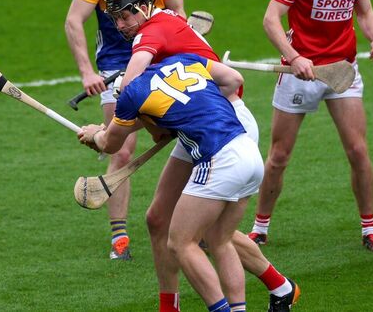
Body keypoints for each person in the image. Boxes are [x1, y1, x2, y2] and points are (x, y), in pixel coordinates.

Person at [104, 0, 299, 311]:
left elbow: (132, 84)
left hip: (222, 121)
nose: (120, 26)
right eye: (115, 20)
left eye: (124, 17)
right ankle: (274, 289)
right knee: (159, 219)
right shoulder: (166, 21)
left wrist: (110, 123)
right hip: (203, 120)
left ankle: (270, 289)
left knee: (208, 236)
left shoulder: (150, 32)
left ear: (143, 8)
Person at [248, 0, 373, 252]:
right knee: (279, 156)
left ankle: (370, 228)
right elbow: (271, 19)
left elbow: (364, 11)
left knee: (358, 150)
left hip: (342, 71)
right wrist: (295, 56)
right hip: (300, 73)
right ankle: (260, 227)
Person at [77, 52, 261, 312]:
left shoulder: (131, 94)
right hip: (249, 152)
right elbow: (233, 80)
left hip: (218, 160)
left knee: (181, 243)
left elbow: (110, 145)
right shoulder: (184, 60)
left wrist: (95, 134)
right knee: (220, 241)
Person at [64, 0, 184, 260]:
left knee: (188, 138)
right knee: (121, 148)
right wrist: (87, 72)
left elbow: (178, 14)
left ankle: (195, 224)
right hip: (117, 65)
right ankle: (120, 237)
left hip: (159, 59)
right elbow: (73, 21)